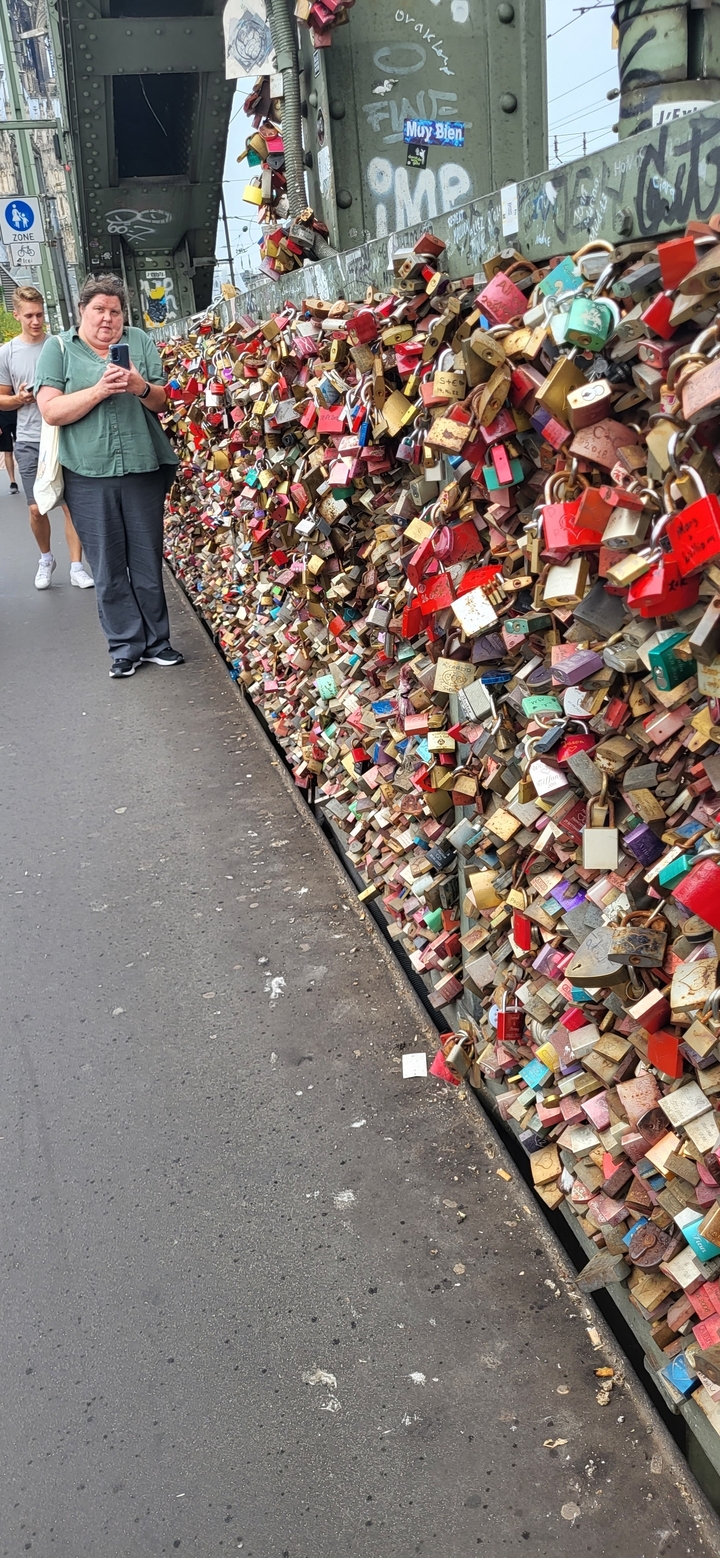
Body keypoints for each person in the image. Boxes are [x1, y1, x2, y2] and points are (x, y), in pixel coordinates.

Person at [35, 273, 183, 679]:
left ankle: (158, 643)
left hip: (142, 468)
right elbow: (51, 410)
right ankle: (125, 646)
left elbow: (163, 399)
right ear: (82, 311)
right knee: (107, 565)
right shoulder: (60, 348)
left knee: (147, 560)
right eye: (99, 309)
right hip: (87, 473)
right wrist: (99, 389)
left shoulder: (139, 341)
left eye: (115, 311)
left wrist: (138, 386)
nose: (108, 318)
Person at [0, 285, 94, 589]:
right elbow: (1, 398)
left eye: (40, 314)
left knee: (71, 504)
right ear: (16, 316)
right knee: (36, 507)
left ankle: (76, 566)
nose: (36, 320)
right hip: (28, 438)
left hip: (64, 433)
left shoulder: (60, 346)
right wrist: (20, 399)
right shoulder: (7, 353)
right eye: (29, 315)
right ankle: (45, 559)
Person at [0, 402, 18, 491]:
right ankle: (13, 481)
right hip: (2, 419)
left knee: (22, 450)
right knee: (8, 451)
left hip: (18, 417)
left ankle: (27, 477)